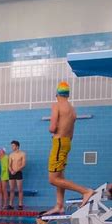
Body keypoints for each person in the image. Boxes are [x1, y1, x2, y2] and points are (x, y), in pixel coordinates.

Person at [44, 82, 94, 215]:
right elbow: (71, 133)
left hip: (59, 142)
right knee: (60, 175)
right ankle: (59, 205)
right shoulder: (72, 109)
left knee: (53, 179)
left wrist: (52, 126)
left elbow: (52, 128)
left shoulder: (57, 106)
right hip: (67, 143)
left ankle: (85, 191)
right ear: (68, 94)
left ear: (56, 94)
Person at [8, 140, 26, 210]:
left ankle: (20, 204)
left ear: (17, 146)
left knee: (19, 189)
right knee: (12, 189)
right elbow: (9, 165)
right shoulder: (11, 155)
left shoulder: (22, 154)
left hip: (18, 173)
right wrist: (11, 171)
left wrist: (16, 170)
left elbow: (23, 164)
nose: (12, 147)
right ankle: (10, 204)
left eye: (13, 146)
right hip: (12, 173)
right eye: (11, 146)